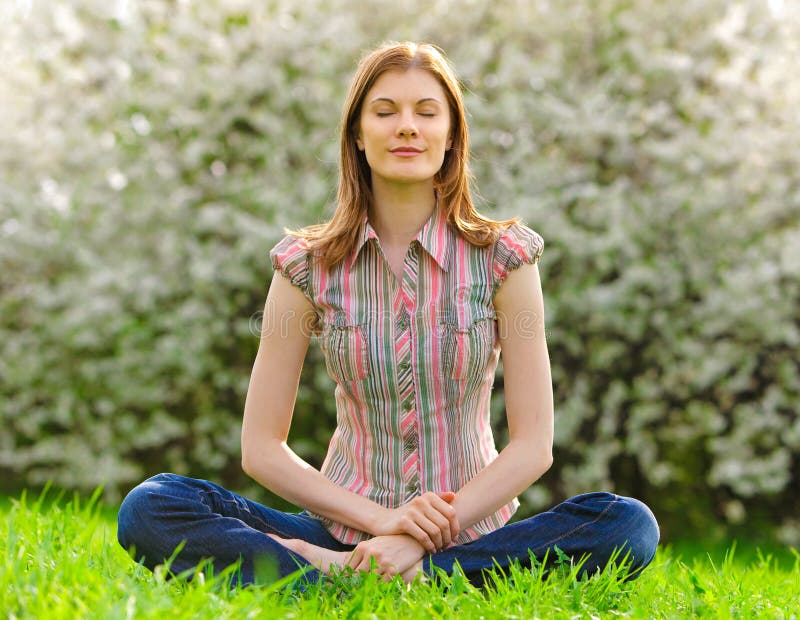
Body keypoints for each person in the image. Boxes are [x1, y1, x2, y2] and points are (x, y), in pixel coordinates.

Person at [117, 41, 659, 588]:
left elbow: (533, 445)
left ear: (451, 137)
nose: (406, 127)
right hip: (344, 526)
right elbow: (261, 449)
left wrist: (417, 537)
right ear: (357, 133)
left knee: (627, 526)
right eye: (385, 112)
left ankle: (355, 574)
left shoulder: (505, 258)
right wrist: (384, 522)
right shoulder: (306, 266)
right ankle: (375, 568)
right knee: (153, 505)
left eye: (426, 113)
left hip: (475, 534)